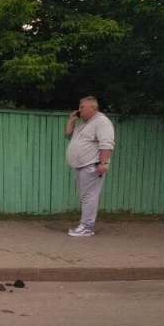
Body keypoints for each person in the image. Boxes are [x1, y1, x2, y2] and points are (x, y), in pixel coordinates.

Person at [64, 96, 115, 237]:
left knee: (89, 196)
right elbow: (68, 135)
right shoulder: (85, 123)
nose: (79, 110)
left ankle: (87, 226)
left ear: (93, 107)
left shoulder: (101, 122)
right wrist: (71, 120)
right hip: (83, 166)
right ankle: (86, 225)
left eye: (82, 107)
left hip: (92, 165)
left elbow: (107, 143)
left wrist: (103, 163)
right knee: (85, 196)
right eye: (79, 107)